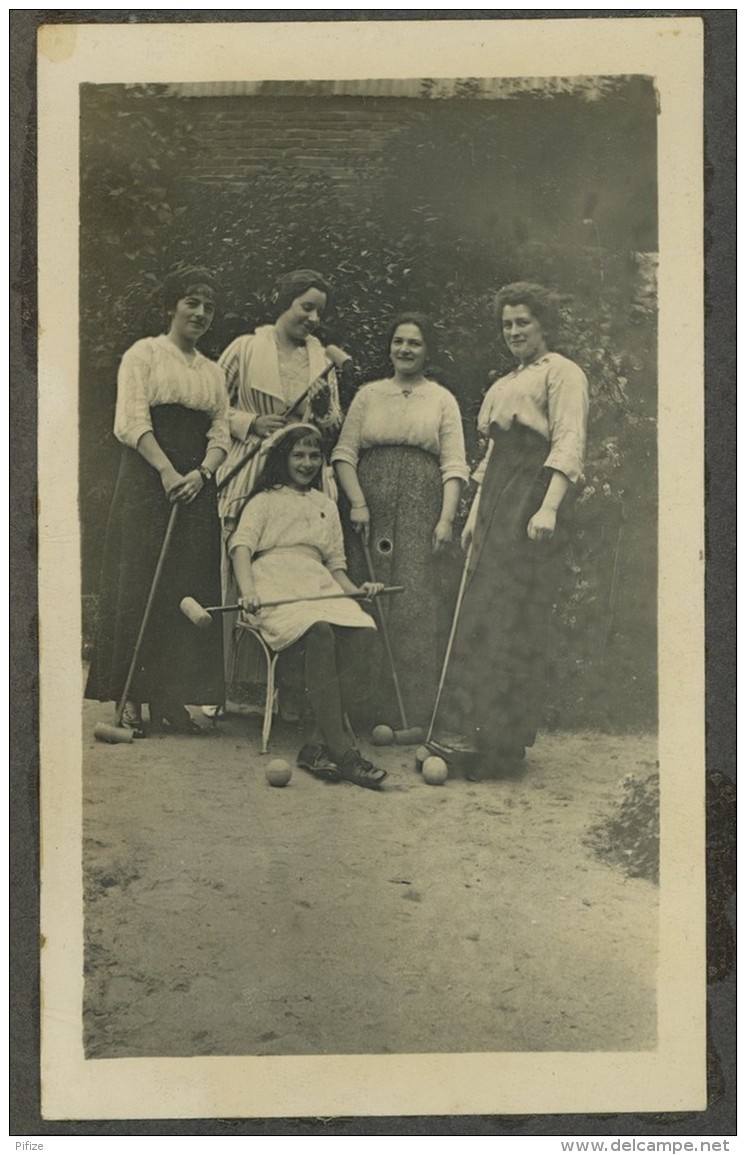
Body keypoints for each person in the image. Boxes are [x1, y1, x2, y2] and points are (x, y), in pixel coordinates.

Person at [429, 282, 589, 777]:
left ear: (543, 324)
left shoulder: (563, 373)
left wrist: (549, 508)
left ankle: (503, 743)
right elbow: (491, 458)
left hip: (531, 491)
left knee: (515, 615)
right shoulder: (504, 383)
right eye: (507, 324)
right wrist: (474, 517)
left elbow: (568, 441)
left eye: (523, 322)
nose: (515, 331)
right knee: (484, 609)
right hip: (498, 494)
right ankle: (474, 731)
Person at [86, 265, 230, 734]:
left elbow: (221, 430)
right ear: (172, 305)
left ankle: (171, 698)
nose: (201, 312)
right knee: (140, 583)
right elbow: (129, 420)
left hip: (195, 484)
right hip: (149, 480)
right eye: (192, 302)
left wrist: (202, 474)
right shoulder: (144, 354)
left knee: (186, 586)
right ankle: (128, 696)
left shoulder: (211, 372)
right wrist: (168, 472)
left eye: (208, 306)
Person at [229, 423, 388, 791]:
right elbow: (241, 548)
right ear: (283, 458)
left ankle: (317, 744)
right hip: (275, 583)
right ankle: (345, 754)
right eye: (298, 455)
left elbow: (336, 566)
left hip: (318, 583)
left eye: (314, 455)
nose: (307, 463)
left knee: (364, 630)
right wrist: (248, 590)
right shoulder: (264, 500)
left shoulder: (325, 505)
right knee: (319, 631)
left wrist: (358, 592)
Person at [332, 312, 470, 728]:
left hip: (420, 507)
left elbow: (454, 466)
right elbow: (343, 454)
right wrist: (357, 501)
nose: (405, 350)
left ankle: (410, 713)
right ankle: (358, 712)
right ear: (389, 347)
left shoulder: (442, 399)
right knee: (363, 595)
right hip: (369, 505)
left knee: (414, 600)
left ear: (427, 351)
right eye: (398, 342)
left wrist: (445, 520)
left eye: (414, 343)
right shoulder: (369, 394)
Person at [214, 269, 343, 708]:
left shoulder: (321, 357)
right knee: (242, 558)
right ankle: (231, 684)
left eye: (319, 311)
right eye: (305, 306)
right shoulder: (246, 348)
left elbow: (333, 421)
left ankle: (286, 688)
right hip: (251, 463)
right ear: (283, 302)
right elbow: (212, 405)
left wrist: (323, 416)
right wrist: (250, 422)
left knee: (297, 563)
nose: (312, 318)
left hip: (301, 467)